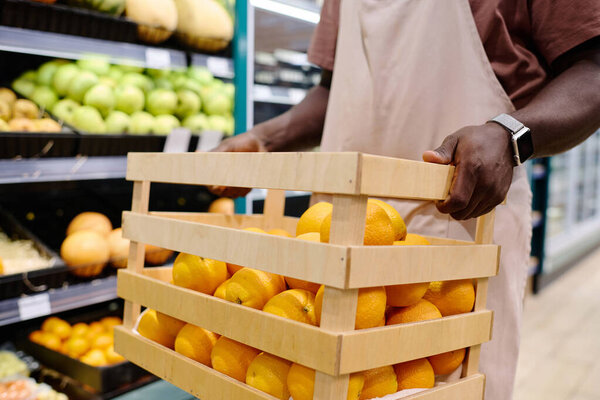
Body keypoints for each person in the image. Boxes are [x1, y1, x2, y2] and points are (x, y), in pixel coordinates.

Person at [213, 1, 600, 398]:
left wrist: (510, 134)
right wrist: (267, 138)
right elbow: (334, 88)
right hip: (338, 231)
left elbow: (593, 68)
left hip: (462, 224)